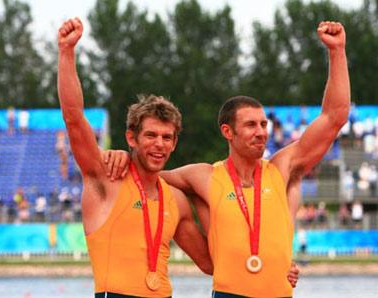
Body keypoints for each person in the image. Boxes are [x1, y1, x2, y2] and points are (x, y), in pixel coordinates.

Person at [105, 21, 349, 297]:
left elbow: (335, 116)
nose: (261, 133)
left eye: (263, 124)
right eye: (251, 125)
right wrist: (123, 156)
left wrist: (337, 51)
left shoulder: (281, 168)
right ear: (227, 131)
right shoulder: (203, 176)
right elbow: (147, 171)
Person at [57, 17, 212, 298]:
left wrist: (274, 265)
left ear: (174, 143)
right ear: (132, 138)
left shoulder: (176, 200)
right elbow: (73, 118)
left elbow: (210, 263)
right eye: (151, 135)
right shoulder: (106, 179)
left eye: (167, 137)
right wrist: (67, 52)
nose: (159, 144)